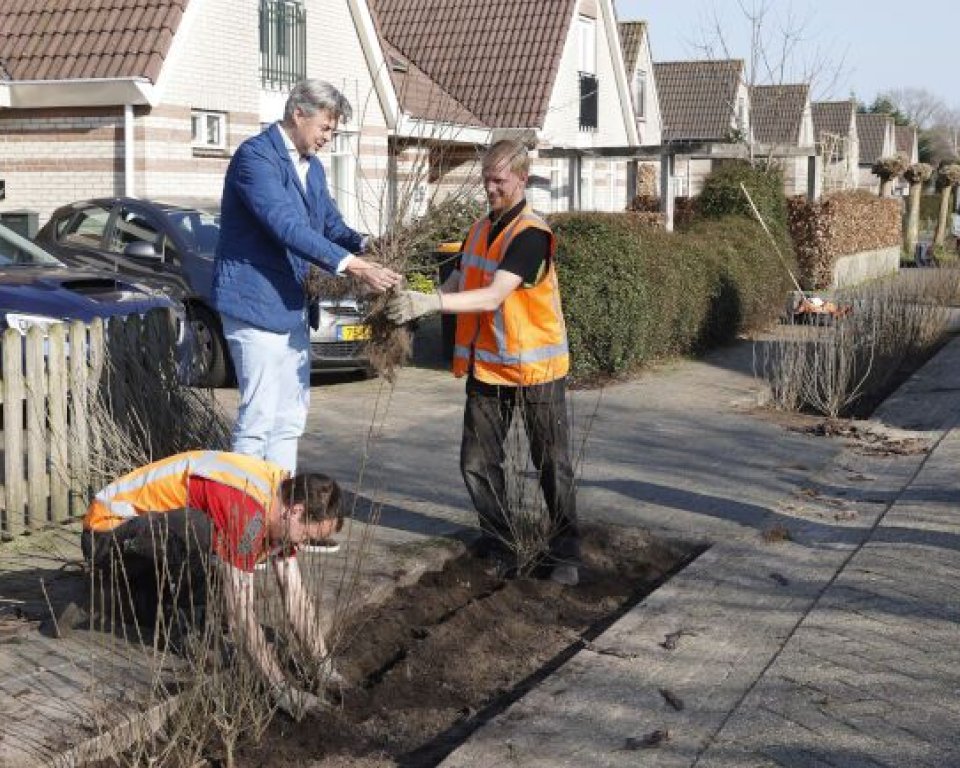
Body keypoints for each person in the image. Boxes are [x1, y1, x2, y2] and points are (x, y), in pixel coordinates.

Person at [385, 139, 580, 586]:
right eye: (486, 180)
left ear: (521, 179)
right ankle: (502, 545)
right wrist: (416, 297)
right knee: (476, 463)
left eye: (499, 180)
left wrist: (427, 301)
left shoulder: (531, 236)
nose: (491, 188)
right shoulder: (479, 229)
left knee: (551, 463)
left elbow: (494, 294)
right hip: (489, 369)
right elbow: (458, 280)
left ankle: (567, 552)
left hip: (536, 371)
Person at [212, 79, 401, 474]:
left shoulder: (311, 167)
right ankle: (243, 523)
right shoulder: (255, 159)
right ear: (298, 114)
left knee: (289, 419)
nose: (328, 139)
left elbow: (329, 223)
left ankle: (281, 516)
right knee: (258, 419)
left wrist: (369, 244)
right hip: (255, 305)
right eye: (325, 128)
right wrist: (354, 265)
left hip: (294, 307)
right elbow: (285, 226)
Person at [81, 450, 343, 718]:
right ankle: (153, 612)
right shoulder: (247, 508)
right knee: (199, 531)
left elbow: (295, 595)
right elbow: (241, 615)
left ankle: (135, 598)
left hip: (146, 544)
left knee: (216, 583)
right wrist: (283, 691)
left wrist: (326, 670)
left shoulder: (282, 497)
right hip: (106, 537)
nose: (302, 545)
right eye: (307, 536)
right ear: (296, 511)